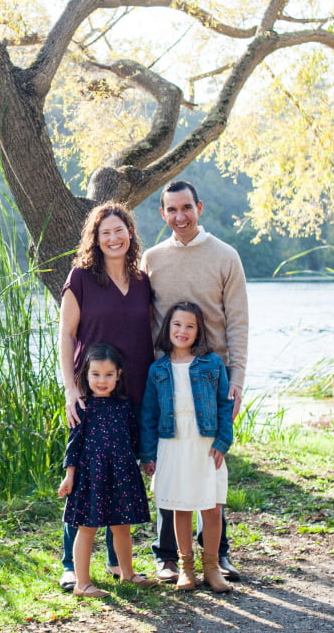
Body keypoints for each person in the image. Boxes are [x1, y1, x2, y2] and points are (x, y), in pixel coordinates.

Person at [139, 179, 248, 583]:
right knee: (171, 469)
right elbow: (147, 320)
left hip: (211, 380)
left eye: (186, 208)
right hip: (168, 379)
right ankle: (168, 557)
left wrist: (237, 377)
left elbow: (237, 321)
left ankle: (218, 556)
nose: (180, 216)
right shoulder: (152, 258)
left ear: (198, 207)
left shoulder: (225, 256)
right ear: (163, 213)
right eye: (172, 210)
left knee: (209, 470)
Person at [57, 202, 156, 591]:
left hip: (133, 392)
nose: (113, 238)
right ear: (95, 240)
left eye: (120, 230)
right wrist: (70, 388)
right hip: (91, 394)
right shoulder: (81, 277)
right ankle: (71, 566)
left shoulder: (143, 280)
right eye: (105, 233)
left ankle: (120, 566)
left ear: (130, 233)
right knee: (85, 477)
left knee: (121, 476)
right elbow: (66, 334)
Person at [139, 302, 234, 592]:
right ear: (167, 329)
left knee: (212, 507)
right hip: (173, 443)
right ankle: (186, 568)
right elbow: (149, 414)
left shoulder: (212, 364)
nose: (183, 331)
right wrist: (148, 455)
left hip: (205, 443)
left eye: (190, 326)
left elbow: (224, 404)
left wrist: (223, 440)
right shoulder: (157, 369)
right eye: (177, 325)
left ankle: (212, 567)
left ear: (199, 331)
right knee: (180, 507)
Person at [58, 343, 157, 598]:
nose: (102, 381)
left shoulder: (123, 406)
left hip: (122, 473)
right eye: (96, 375)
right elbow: (73, 445)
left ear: (118, 375)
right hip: (91, 476)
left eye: (108, 375)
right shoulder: (82, 407)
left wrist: (145, 463)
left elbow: (133, 440)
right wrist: (69, 476)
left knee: (122, 526)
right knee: (87, 527)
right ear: (86, 375)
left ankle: (127, 572)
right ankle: (82, 583)